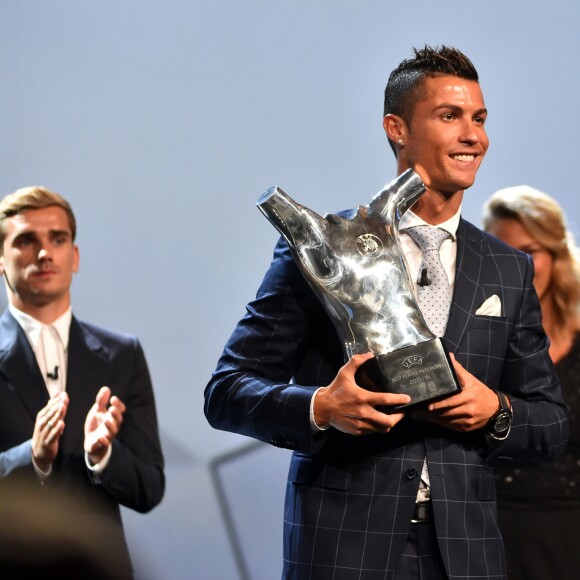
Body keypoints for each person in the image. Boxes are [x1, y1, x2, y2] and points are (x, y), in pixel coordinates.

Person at [204, 46, 569, 580]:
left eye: (480, 119)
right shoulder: (322, 249)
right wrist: (323, 407)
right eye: (450, 116)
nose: (474, 136)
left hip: (466, 555)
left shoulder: (507, 269)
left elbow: (551, 422)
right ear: (396, 128)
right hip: (342, 549)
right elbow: (226, 392)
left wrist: (494, 409)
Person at [0, 186, 165, 578]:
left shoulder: (123, 354)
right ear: (1, 259)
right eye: (26, 240)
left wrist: (103, 457)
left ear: (74, 256)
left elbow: (149, 488)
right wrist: (32, 457)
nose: (44, 253)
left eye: (58, 239)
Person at [483, 186, 580, 580]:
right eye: (504, 253)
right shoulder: (471, 345)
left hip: (567, 534)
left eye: (529, 252)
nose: (517, 266)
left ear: (557, 257)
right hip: (482, 528)